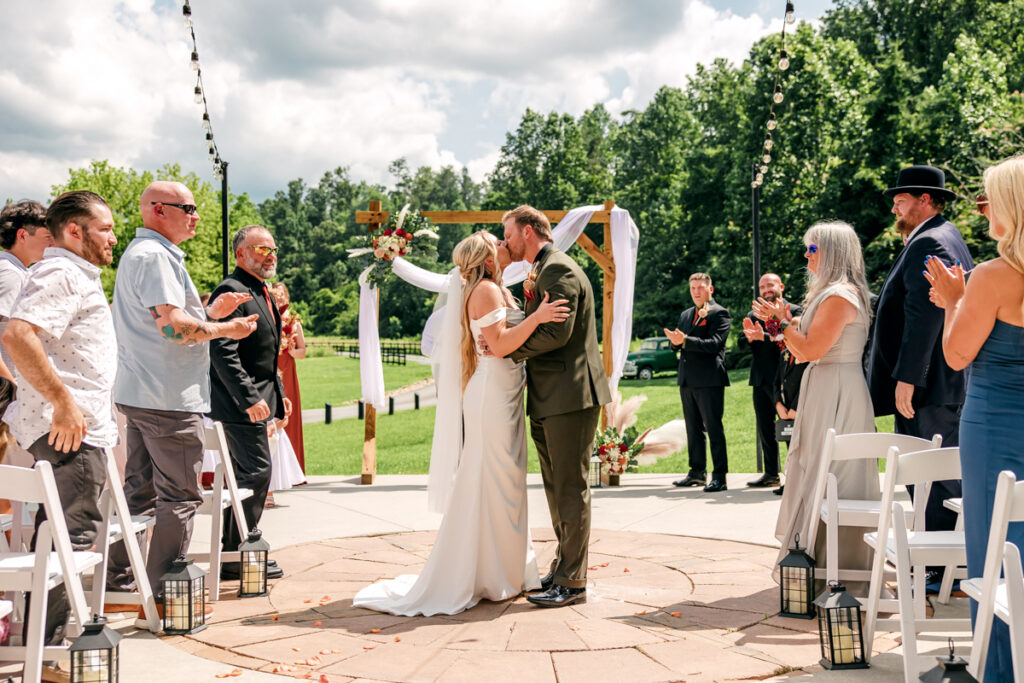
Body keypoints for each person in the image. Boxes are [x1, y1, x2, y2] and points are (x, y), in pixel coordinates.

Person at [354, 230, 569, 615]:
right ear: (487, 259)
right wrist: (537, 317)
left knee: (507, 480)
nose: (506, 246)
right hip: (490, 395)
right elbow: (501, 345)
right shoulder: (485, 291)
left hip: (505, 391)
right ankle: (487, 573)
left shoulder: (498, 289)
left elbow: (502, 340)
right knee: (493, 477)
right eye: (499, 245)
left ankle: (506, 568)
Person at [104, 181, 257, 608]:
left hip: (144, 390)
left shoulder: (147, 254)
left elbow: (170, 321)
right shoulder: (154, 257)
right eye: (187, 207)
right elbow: (172, 329)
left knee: (138, 490)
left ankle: (119, 579)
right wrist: (228, 328)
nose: (196, 216)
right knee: (181, 495)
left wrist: (209, 314)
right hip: (167, 397)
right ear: (157, 210)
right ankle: (164, 591)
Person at [1, 190, 118, 683]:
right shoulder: (62, 273)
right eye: (106, 229)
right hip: (69, 432)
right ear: (76, 231)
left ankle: (40, 649)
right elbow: (16, 334)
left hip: (74, 429)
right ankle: (43, 656)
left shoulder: (69, 274)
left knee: (63, 536)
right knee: (74, 540)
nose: (115, 238)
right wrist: (64, 403)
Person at [924, 154, 1024, 682]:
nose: (983, 212)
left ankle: (1003, 669)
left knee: (996, 547)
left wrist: (952, 302)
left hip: (994, 431)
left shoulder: (992, 276)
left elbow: (957, 356)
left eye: (989, 201)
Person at [753, 221, 876, 595]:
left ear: (832, 252)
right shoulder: (829, 293)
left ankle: (839, 567)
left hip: (837, 385)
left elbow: (810, 350)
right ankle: (815, 561)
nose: (806, 256)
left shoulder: (840, 295)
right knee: (814, 469)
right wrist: (774, 329)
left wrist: (779, 321)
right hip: (824, 383)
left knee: (834, 473)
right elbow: (799, 347)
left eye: (812, 249)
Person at [867, 165, 974, 584]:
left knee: (936, 477)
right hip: (937, 383)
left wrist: (909, 377)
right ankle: (942, 565)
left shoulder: (932, 240)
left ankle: (944, 568)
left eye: (901, 199)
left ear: (925, 200)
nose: (895, 204)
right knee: (932, 475)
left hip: (932, 386)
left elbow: (925, 313)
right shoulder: (944, 235)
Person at [504, 205, 611, 608]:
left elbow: (556, 333)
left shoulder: (558, 270)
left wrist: (507, 349)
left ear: (529, 231)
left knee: (570, 488)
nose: (507, 242)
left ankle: (573, 582)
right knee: (556, 487)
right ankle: (564, 566)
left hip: (570, 395)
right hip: (553, 395)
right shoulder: (542, 268)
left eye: (509, 234)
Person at [208, 225, 286, 581]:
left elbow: (263, 354)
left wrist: (276, 394)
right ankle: (240, 548)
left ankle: (234, 550)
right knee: (256, 473)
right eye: (260, 249)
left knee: (248, 475)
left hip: (261, 397)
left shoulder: (261, 289)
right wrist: (250, 398)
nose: (269, 255)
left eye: (272, 249)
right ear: (240, 254)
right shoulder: (232, 289)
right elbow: (222, 351)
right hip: (238, 405)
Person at [664, 273, 731, 492]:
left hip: (710, 379)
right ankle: (697, 473)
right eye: (693, 288)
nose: (696, 292)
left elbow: (715, 344)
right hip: (687, 379)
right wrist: (675, 343)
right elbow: (679, 345)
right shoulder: (685, 314)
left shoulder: (719, 313)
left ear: (710, 289)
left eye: (700, 287)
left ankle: (719, 477)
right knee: (693, 429)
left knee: (713, 428)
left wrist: (685, 341)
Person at [0, 200, 53, 471]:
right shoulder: (12, 275)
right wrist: (12, 391)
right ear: (22, 235)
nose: (52, 244)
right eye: (47, 237)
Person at [738, 273, 801, 488]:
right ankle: (771, 474)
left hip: (786, 380)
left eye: (770, 285)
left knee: (790, 429)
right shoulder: (753, 314)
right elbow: (741, 344)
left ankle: (795, 477)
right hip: (760, 379)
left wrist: (762, 336)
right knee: (766, 429)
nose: (766, 289)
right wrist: (749, 338)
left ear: (781, 286)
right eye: (762, 286)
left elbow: (786, 340)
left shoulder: (794, 312)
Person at [270, 281, 305, 473]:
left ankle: (293, 469)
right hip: (271, 366)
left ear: (287, 296)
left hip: (287, 367)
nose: (280, 297)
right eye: (276, 294)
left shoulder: (293, 322)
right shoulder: (268, 317)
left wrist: (292, 351)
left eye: (282, 293)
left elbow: (303, 351)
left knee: (288, 414)